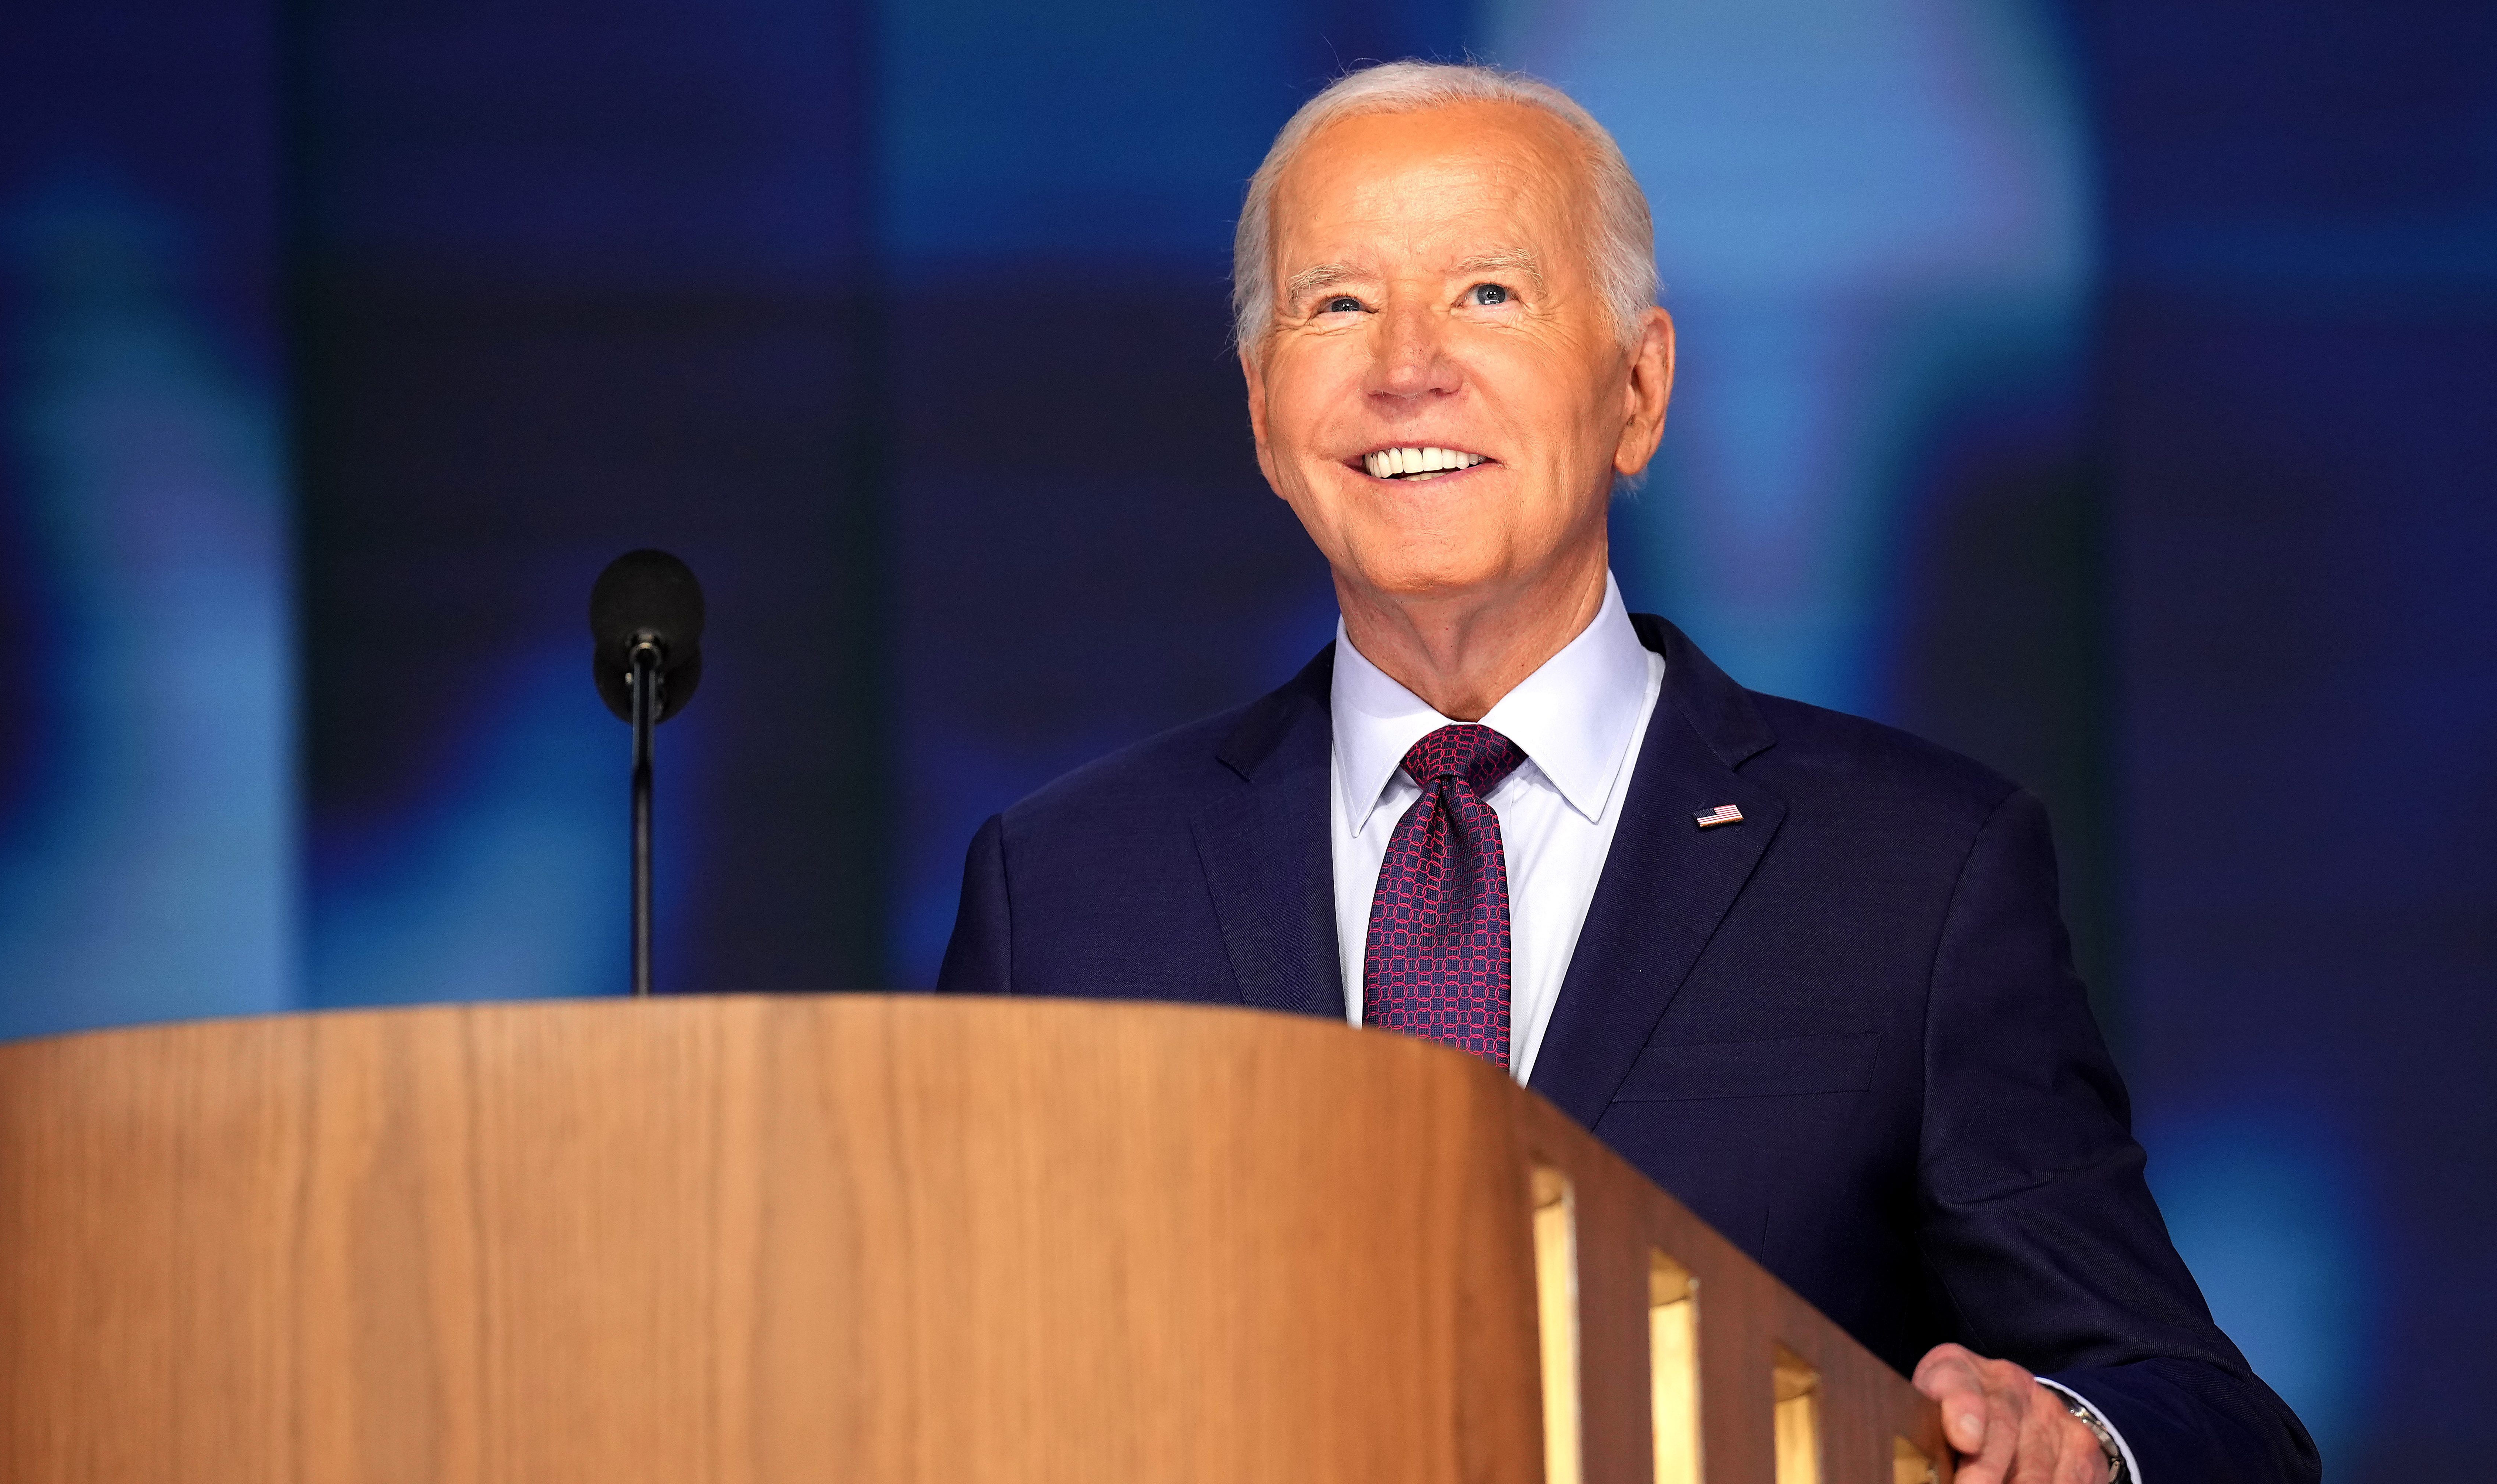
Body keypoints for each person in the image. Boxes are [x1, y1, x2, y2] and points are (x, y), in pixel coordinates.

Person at [936, 61, 2315, 1484]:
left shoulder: (1918, 875)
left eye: (1489, 294)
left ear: (1639, 388)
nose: (1407, 362)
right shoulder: (1067, 889)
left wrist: (2074, 1444)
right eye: (1337, 303)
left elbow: (2210, 1417)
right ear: (1264, 413)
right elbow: (932, 1397)